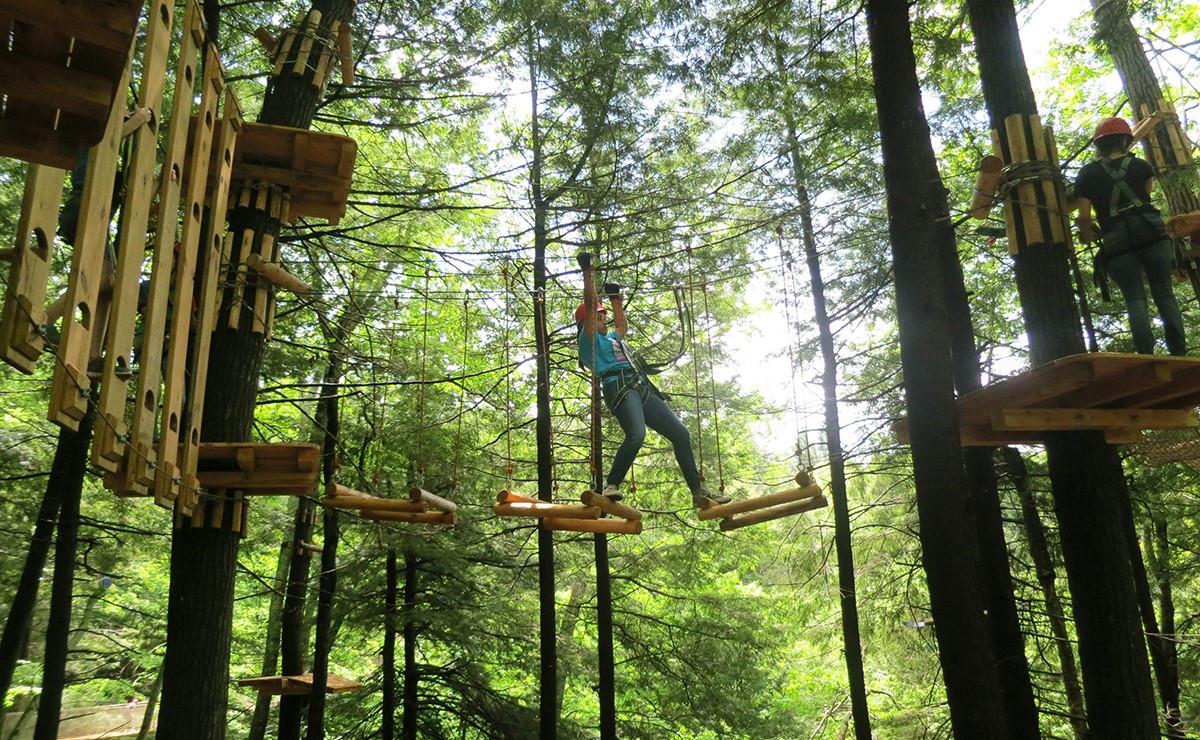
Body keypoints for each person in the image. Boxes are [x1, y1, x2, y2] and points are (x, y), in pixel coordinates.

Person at [575, 252, 730, 508]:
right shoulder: (588, 340)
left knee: (680, 433)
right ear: (587, 321)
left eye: (604, 317)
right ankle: (611, 484)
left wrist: (616, 300)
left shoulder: (612, 338)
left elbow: (622, 328)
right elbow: (591, 305)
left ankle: (698, 492)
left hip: (639, 387)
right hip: (619, 386)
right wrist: (588, 273)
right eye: (600, 318)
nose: (604, 320)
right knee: (636, 434)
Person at [1074, 116, 1186, 356]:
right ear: (1125, 140)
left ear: (1099, 145)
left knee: (1135, 299)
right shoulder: (1142, 166)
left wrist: (1087, 235)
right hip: (1151, 231)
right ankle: (1179, 353)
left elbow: (1084, 217)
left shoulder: (1087, 174)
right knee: (1164, 293)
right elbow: (1146, 195)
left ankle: (1146, 355)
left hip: (1116, 238)